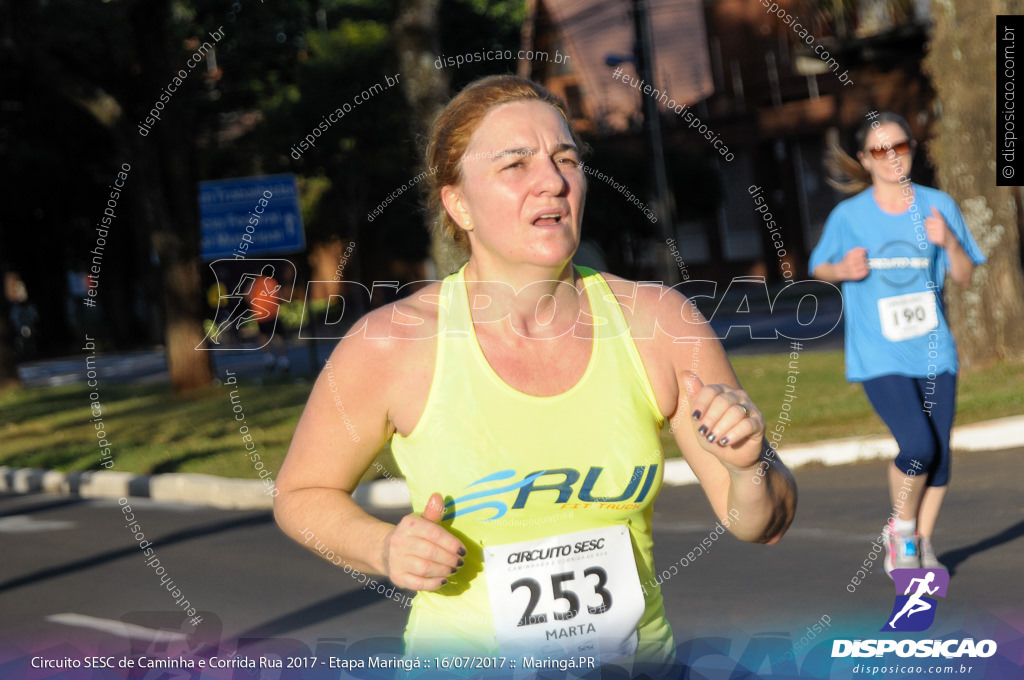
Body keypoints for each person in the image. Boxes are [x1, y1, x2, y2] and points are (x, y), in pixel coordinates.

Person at [274, 75, 796, 674]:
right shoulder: (392, 344)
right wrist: (384, 547)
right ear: (458, 203)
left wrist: (748, 465)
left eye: (565, 158)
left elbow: (762, 523)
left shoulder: (658, 322)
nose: (552, 181)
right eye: (515, 164)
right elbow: (300, 495)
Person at [809, 112, 985, 575]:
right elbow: (819, 266)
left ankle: (921, 544)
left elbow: (965, 277)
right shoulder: (849, 216)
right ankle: (901, 531)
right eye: (880, 150)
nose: (892, 157)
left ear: (912, 148)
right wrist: (842, 270)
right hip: (878, 352)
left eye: (900, 147)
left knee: (941, 457)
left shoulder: (938, 205)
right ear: (866, 160)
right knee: (916, 444)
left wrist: (948, 243)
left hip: (934, 350)